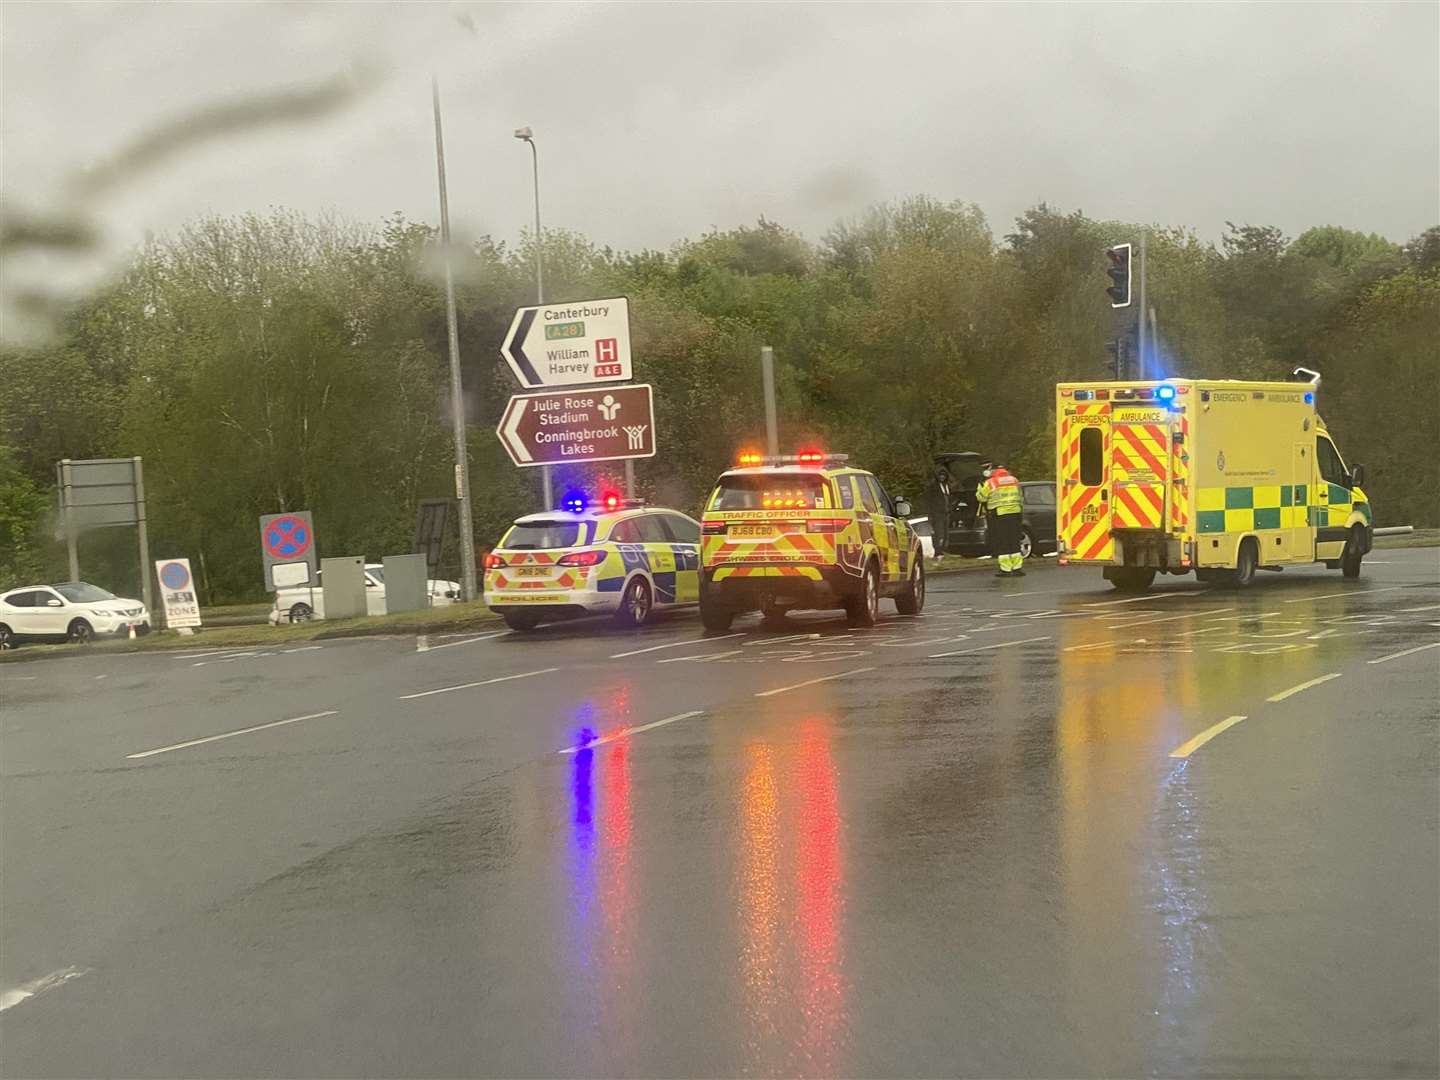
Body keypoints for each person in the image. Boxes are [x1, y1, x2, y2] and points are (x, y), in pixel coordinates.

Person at [975, 461, 1025, 577]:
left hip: (1000, 514)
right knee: (1014, 540)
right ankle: (1017, 568)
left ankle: (1006, 569)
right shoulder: (1014, 480)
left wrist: (980, 486)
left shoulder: (991, 482)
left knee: (1003, 541)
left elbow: (981, 498)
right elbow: (1021, 497)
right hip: (1015, 513)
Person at [925, 467, 951, 558]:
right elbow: (929, 501)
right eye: (940, 475)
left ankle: (943, 550)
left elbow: (948, 499)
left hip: (946, 513)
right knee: (939, 533)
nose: (942, 477)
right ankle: (938, 551)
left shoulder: (947, 486)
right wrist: (930, 514)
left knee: (945, 533)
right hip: (937, 514)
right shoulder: (933, 487)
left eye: (944, 475)